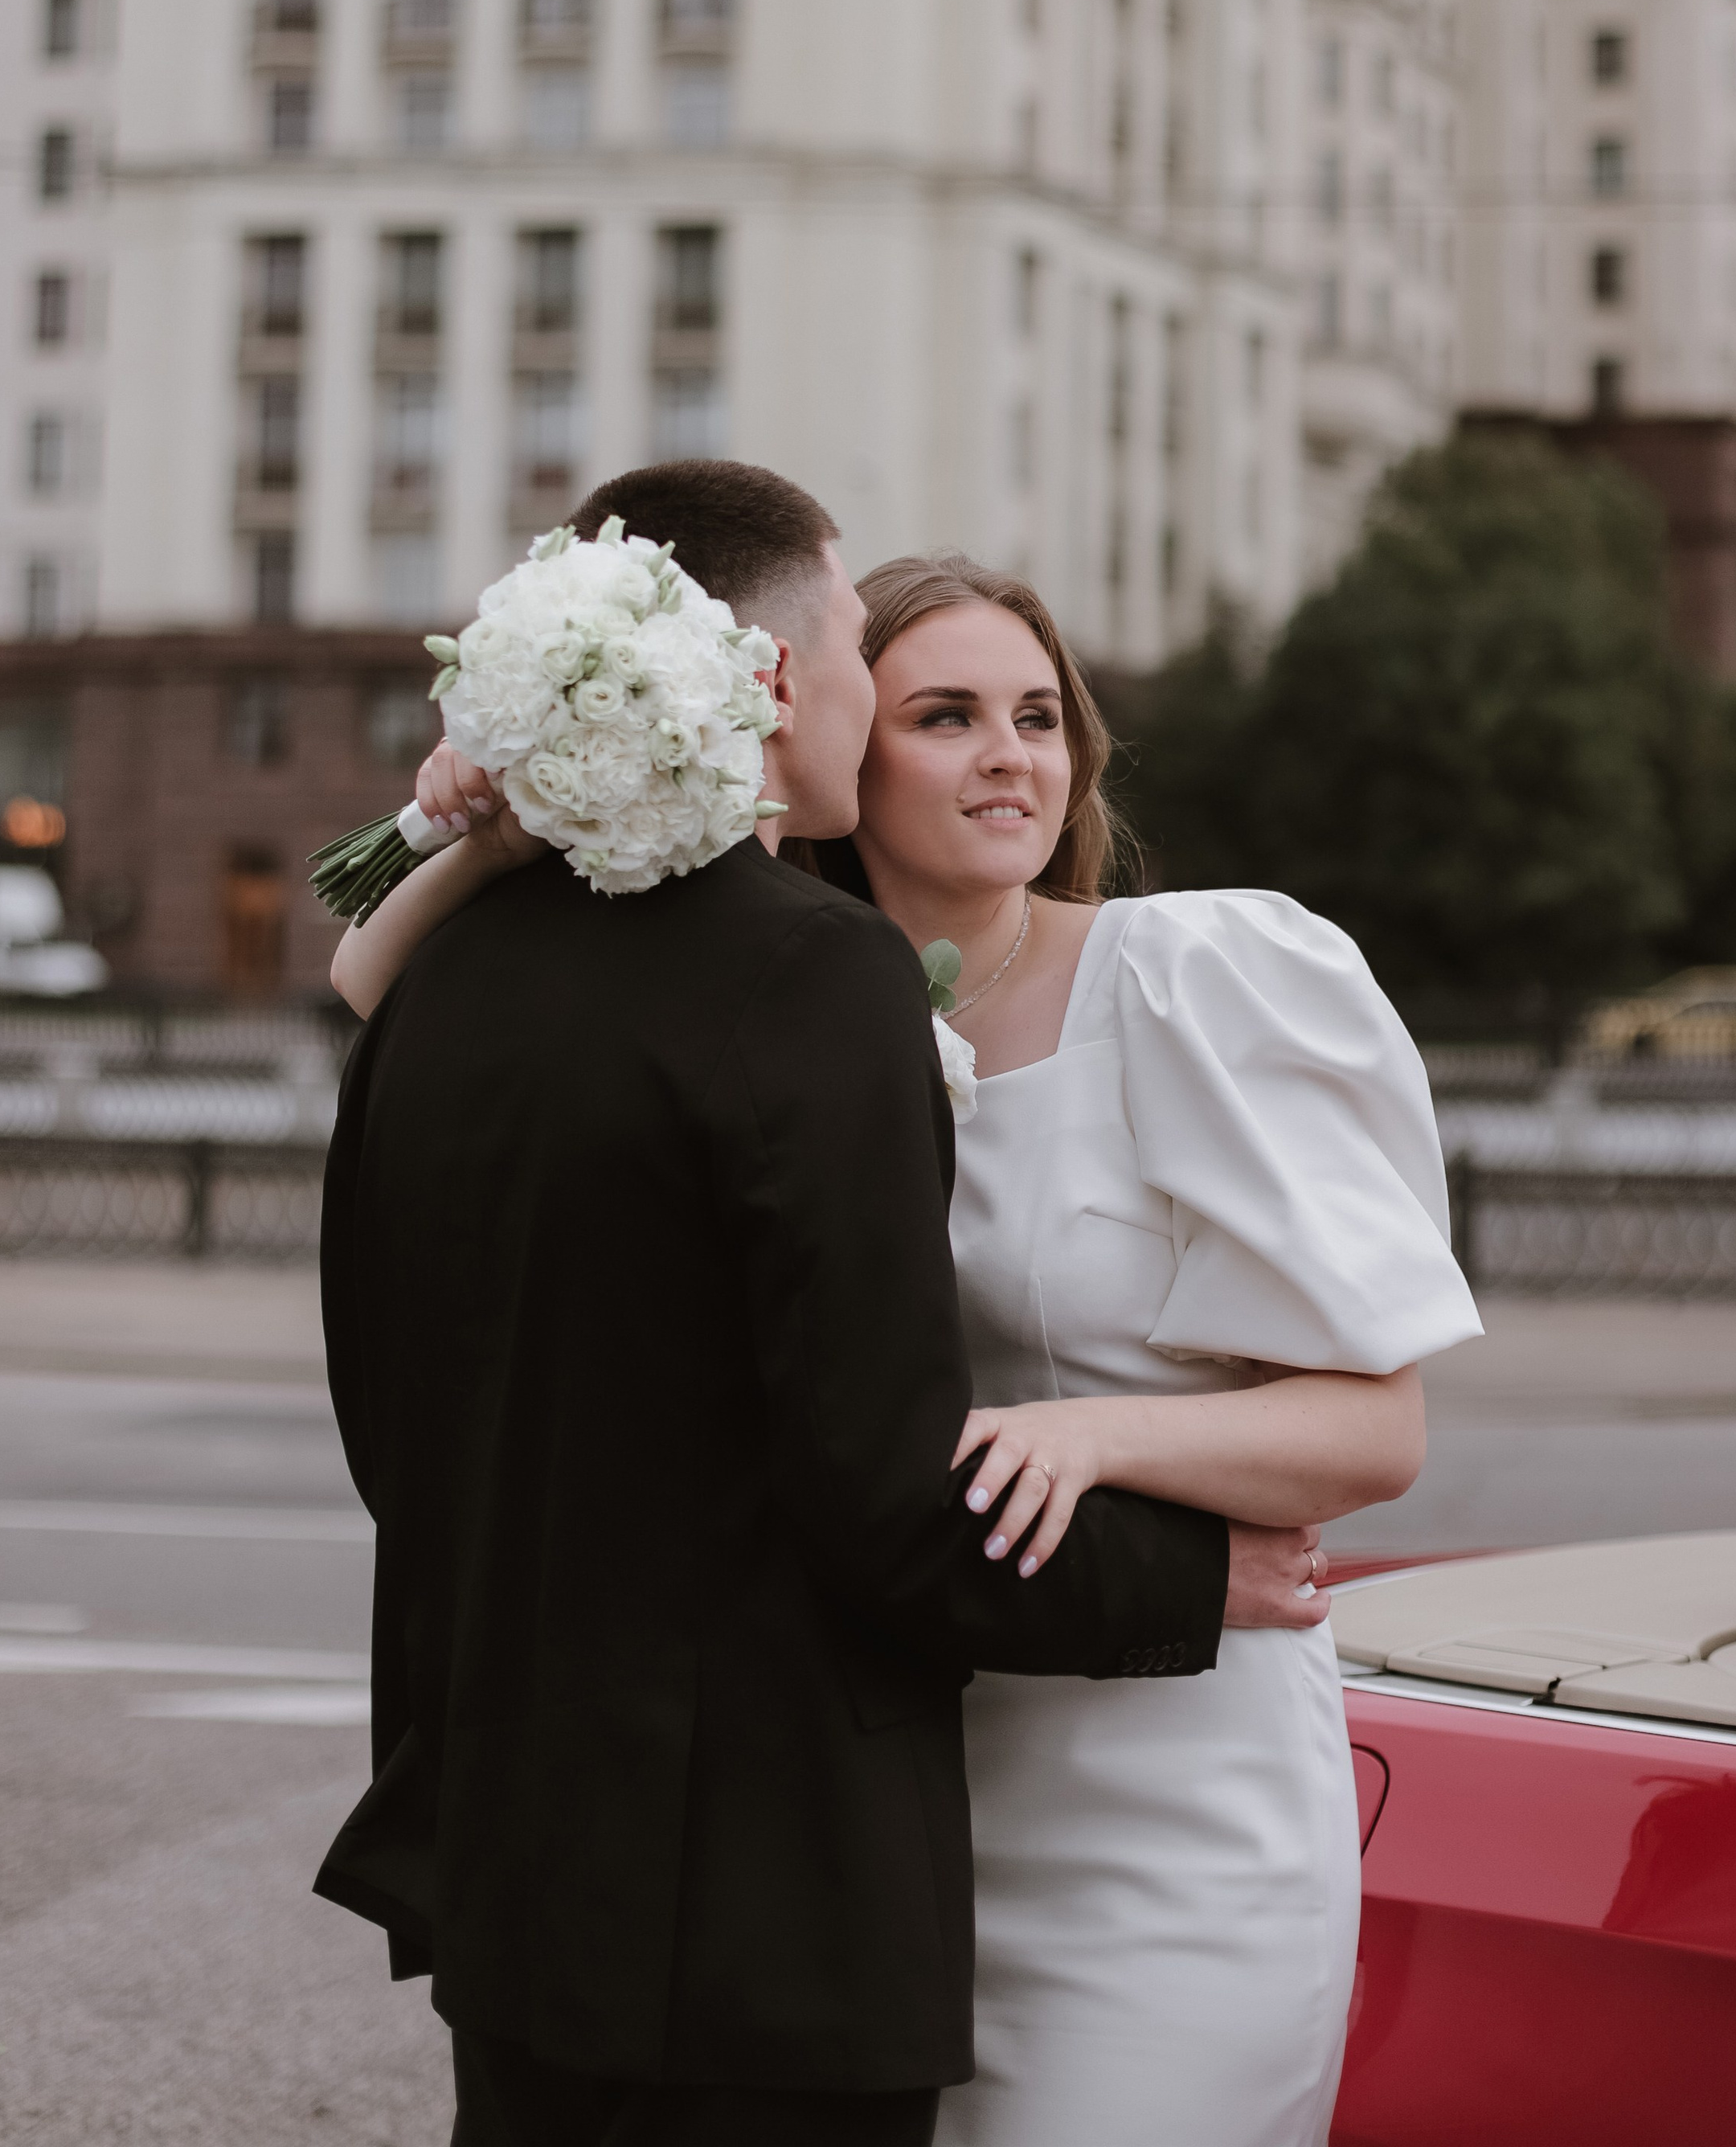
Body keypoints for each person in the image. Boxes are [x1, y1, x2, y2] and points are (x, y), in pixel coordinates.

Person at [316, 461, 1335, 2147]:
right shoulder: (814, 974)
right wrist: (1184, 1577)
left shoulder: (445, 988)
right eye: (880, 666)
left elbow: (394, 1430)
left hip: (513, 1867)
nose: (895, 707)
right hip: (761, 1900)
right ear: (782, 678)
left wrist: (484, 831)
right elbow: (877, 1489)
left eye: (1035, 716)